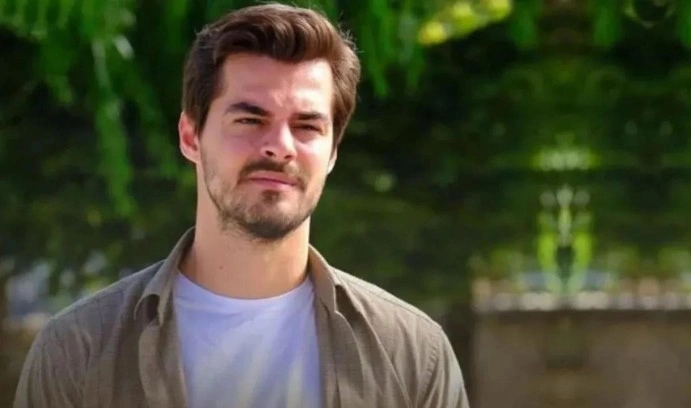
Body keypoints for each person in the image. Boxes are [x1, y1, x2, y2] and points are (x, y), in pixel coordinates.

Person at [14, 3, 469, 408]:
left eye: (307, 126)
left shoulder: (412, 354)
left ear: (332, 152)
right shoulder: (80, 351)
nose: (280, 146)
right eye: (251, 119)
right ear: (191, 136)